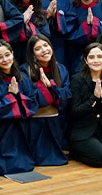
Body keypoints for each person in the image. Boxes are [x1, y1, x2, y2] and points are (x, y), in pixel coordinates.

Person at [0, 41, 37, 174]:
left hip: (21, 127)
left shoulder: (23, 78)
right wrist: (12, 97)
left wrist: (18, 95)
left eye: (7, 55)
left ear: (13, 54)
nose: (5, 59)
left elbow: (33, 103)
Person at [25, 34, 72, 166]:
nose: (44, 50)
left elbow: (66, 96)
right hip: (35, 123)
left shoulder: (61, 69)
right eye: (38, 48)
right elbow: (32, 98)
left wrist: (51, 87)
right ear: (33, 54)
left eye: (46, 45)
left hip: (56, 120)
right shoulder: (25, 71)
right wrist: (49, 91)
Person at [35, 0, 70, 70]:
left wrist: (57, 17)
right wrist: (46, 15)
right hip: (38, 42)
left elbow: (71, 20)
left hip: (59, 44)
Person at [7, 0, 43, 64]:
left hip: (29, 55)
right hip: (10, 52)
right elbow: (1, 30)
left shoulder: (37, 9)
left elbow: (44, 34)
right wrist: (20, 21)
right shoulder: (7, 4)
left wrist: (27, 26)